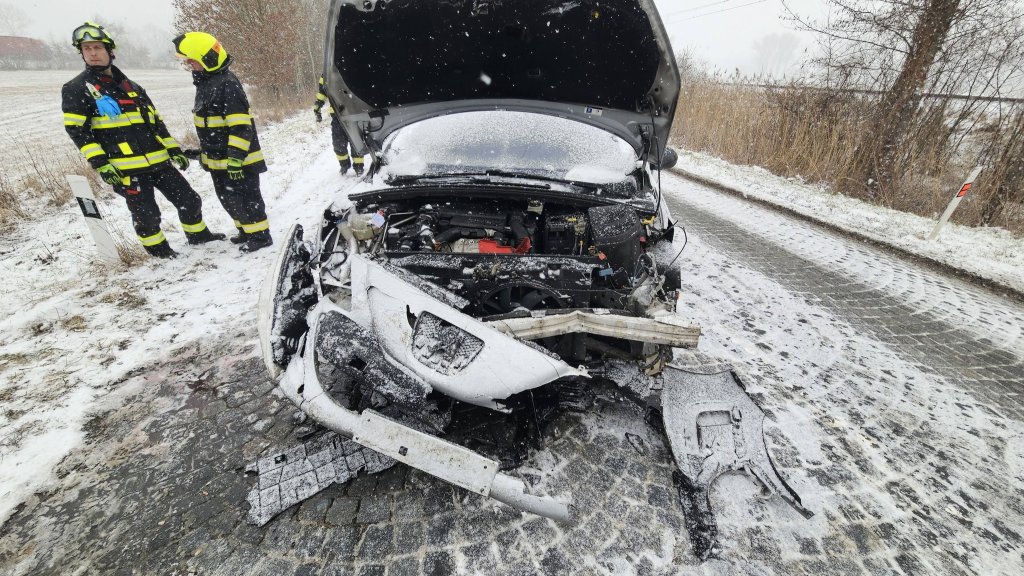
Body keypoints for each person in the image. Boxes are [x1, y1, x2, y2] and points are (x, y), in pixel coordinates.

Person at [61, 22, 224, 259]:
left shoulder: (131, 86)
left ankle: (198, 236)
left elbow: (155, 123)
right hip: (127, 168)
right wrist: (101, 164)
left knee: (189, 200)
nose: (93, 53)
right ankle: (159, 253)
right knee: (146, 214)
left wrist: (173, 149)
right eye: (87, 49)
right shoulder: (76, 89)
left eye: (97, 47)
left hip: (159, 161)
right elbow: (78, 132)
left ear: (110, 51)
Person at [172, 32, 272, 253]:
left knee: (247, 199)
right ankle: (246, 231)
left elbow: (240, 126)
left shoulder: (227, 84)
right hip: (219, 161)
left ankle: (260, 236)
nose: (189, 65)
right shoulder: (207, 83)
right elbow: (212, 127)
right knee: (230, 199)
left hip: (238, 161)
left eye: (192, 60)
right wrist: (203, 153)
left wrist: (235, 158)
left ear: (206, 58)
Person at [314, 74, 364, 175]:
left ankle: (359, 167)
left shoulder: (352, 69)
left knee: (356, 142)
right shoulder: (327, 73)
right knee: (338, 143)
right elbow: (322, 93)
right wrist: (317, 107)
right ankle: (344, 165)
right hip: (337, 115)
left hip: (354, 113)